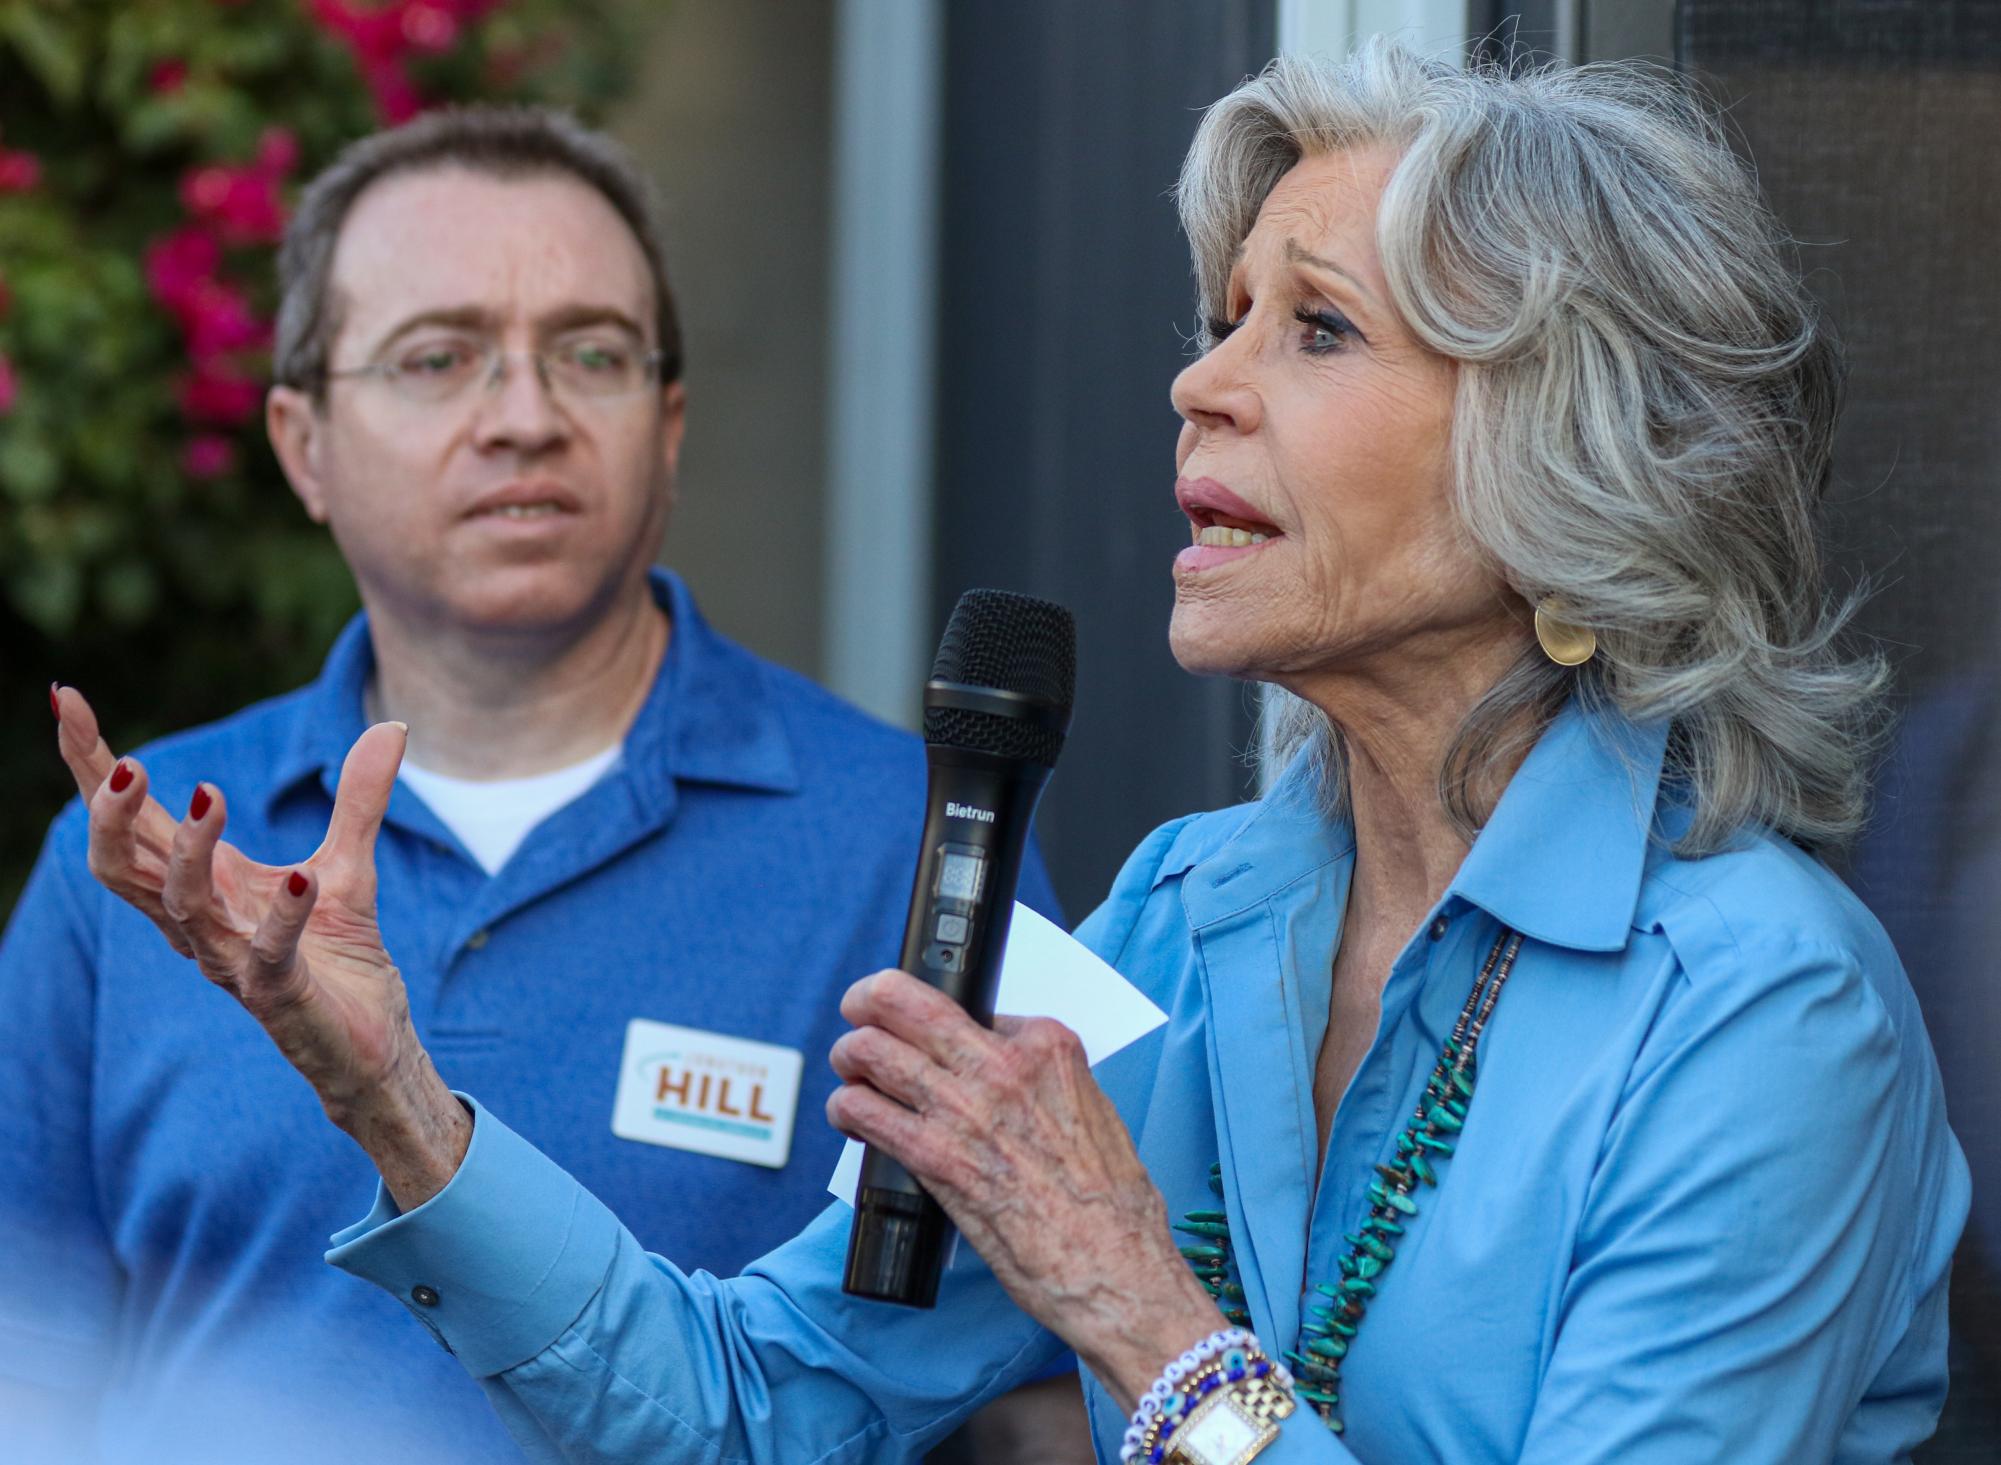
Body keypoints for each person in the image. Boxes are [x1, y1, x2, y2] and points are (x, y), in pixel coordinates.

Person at [48, 43, 1969, 1465]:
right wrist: (394, 1096)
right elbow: (745, 1402)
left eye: (1313, 331)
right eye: (1221, 317)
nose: (1197, 379)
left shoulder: (1763, 1010)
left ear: (1564, 455)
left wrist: (1137, 1309)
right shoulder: (1173, 915)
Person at [0, 108, 1075, 1464]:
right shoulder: (146, 860)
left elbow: (1034, 1402)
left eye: (591, 353)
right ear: (303, 442)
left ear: (670, 424)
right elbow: (22, 1372)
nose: (524, 417)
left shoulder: (907, 840)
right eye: (438, 358)